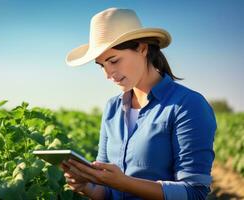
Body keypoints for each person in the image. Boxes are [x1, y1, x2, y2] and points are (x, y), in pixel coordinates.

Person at [61, 7, 216, 200]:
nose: (108, 74)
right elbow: (107, 191)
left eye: (114, 61)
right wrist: (88, 187)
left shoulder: (187, 105)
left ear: (142, 48)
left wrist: (124, 183)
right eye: (102, 65)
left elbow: (195, 192)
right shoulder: (112, 108)